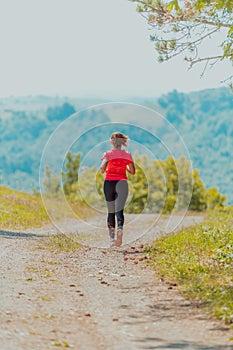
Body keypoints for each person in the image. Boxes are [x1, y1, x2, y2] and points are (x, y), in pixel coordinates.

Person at [100, 132, 135, 247]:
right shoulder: (127, 155)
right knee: (119, 210)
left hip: (109, 183)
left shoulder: (108, 154)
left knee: (111, 210)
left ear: (112, 142)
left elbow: (102, 168)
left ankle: (112, 239)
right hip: (122, 183)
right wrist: (124, 167)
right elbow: (133, 171)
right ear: (123, 142)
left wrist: (105, 167)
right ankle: (119, 229)